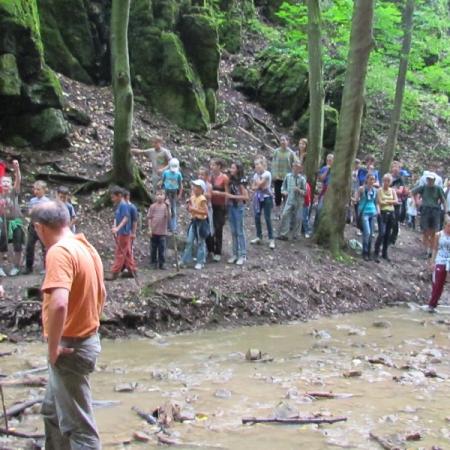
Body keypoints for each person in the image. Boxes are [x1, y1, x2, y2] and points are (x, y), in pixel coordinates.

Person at [31, 200, 105, 450]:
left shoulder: (59, 252)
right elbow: (101, 293)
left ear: (40, 228)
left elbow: (59, 303)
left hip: (70, 347)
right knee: (52, 413)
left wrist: (53, 349)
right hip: (84, 340)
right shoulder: (85, 246)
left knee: (79, 428)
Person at [412, 173, 447, 258]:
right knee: (425, 230)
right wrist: (416, 201)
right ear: (427, 180)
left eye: (431, 179)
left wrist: (445, 212)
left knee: (434, 231)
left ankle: (432, 251)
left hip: (435, 210)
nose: (430, 181)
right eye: (428, 179)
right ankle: (426, 250)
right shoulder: (423, 187)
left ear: (434, 180)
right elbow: (413, 192)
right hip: (425, 210)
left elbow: (443, 200)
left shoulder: (438, 188)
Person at [0, 160, 24, 276]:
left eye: (7, 182)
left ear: (10, 184)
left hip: (16, 221)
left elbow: (18, 180)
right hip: (3, 222)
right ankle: (0, 267)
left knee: (17, 244)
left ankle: (16, 266)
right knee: (1, 244)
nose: (5, 183)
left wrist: (17, 169)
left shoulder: (14, 192)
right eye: (3, 181)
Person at [109, 186, 136, 279]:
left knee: (120, 252)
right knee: (127, 252)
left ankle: (115, 273)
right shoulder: (120, 205)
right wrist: (115, 226)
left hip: (124, 232)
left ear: (119, 196)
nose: (112, 199)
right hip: (122, 232)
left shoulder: (123, 205)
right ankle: (132, 270)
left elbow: (126, 218)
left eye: (113, 197)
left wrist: (117, 228)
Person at [181, 180, 209, 270]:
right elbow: (191, 208)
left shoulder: (202, 199)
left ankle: (200, 261)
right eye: (194, 186)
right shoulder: (192, 197)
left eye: (196, 187)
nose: (194, 188)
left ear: (201, 189)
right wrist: (189, 207)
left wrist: (193, 210)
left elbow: (205, 212)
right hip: (194, 221)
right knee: (189, 241)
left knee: (201, 242)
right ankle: (184, 260)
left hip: (201, 222)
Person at [226, 161, 249, 265]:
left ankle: (243, 255)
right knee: (233, 231)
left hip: (238, 207)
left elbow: (246, 197)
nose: (231, 170)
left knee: (239, 231)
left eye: (233, 168)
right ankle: (235, 254)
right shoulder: (230, 179)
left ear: (238, 170)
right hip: (230, 207)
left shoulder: (241, 181)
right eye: (231, 168)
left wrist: (232, 197)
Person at [25, 180, 50, 274]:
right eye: (35, 189)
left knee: (45, 247)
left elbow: (48, 214)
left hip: (43, 226)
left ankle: (46, 267)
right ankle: (28, 267)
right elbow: (29, 212)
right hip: (33, 226)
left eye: (38, 189)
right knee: (29, 246)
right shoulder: (32, 201)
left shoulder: (47, 201)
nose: (36, 191)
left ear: (44, 190)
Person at [278, 160, 306, 240]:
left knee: (298, 218)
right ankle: (284, 234)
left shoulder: (302, 179)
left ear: (300, 169)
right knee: (285, 215)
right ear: (292, 167)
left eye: (298, 167)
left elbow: (305, 193)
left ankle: (296, 235)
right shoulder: (288, 176)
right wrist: (284, 192)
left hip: (298, 201)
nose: (296, 169)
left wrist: (299, 190)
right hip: (289, 200)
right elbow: (283, 187)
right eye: (294, 167)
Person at [250, 157, 275, 249]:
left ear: (263, 164)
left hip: (266, 198)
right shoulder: (256, 175)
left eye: (258, 164)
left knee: (267, 218)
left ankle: (271, 238)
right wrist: (258, 185)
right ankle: (258, 236)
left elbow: (260, 185)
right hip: (258, 198)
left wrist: (258, 185)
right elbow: (253, 187)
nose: (256, 166)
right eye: (255, 165)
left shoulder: (267, 173)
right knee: (257, 216)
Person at [207, 159, 229, 262]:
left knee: (218, 228)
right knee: (209, 227)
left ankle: (218, 251)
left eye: (214, 165)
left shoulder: (224, 178)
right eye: (211, 165)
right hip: (210, 205)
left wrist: (218, 194)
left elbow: (227, 193)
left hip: (220, 206)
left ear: (219, 166)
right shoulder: (210, 177)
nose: (211, 167)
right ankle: (210, 249)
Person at [427, 217, 450, 312]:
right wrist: (432, 262)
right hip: (440, 260)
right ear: (445, 225)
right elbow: (435, 249)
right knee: (438, 284)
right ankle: (432, 305)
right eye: (449, 226)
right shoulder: (438, 235)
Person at [374, 174, 398, 263]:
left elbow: (396, 201)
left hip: (391, 213)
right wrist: (389, 202)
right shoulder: (380, 190)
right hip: (382, 213)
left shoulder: (392, 191)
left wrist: (387, 201)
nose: (386, 183)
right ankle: (376, 252)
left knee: (388, 234)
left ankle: (384, 252)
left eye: (388, 181)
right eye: (385, 181)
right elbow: (379, 201)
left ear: (390, 182)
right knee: (382, 233)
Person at [271, 136, 296, 216]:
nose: (282, 142)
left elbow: (295, 164)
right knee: (277, 195)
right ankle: (277, 213)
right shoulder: (276, 151)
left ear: (287, 141)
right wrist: (274, 175)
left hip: (287, 178)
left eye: (284, 140)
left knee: (286, 196)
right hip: (278, 177)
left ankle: (285, 213)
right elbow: (273, 164)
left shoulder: (291, 153)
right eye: (281, 140)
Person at [357, 174, 379, 261]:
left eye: (373, 180)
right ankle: (364, 251)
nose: (372, 181)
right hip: (364, 212)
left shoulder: (375, 191)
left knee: (371, 234)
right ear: (367, 180)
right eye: (370, 179)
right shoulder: (362, 189)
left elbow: (376, 202)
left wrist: (378, 211)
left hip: (372, 213)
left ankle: (369, 252)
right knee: (367, 232)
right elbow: (356, 198)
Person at [147, 190, 170, 270]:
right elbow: (149, 218)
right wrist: (149, 229)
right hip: (154, 231)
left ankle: (162, 263)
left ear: (164, 196)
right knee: (153, 248)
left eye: (161, 194)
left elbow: (168, 217)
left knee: (162, 248)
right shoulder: (152, 206)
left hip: (162, 232)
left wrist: (168, 207)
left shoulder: (165, 207)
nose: (159, 196)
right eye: (158, 194)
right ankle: (153, 262)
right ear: (155, 196)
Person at [161, 158, 183, 233]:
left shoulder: (178, 174)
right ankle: (165, 226)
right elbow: (162, 182)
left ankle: (173, 227)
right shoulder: (166, 173)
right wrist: (161, 190)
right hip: (166, 192)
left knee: (173, 209)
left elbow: (180, 185)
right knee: (165, 208)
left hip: (174, 192)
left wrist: (180, 194)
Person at [389, 162, 405, 245]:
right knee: (388, 220)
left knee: (395, 221)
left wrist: (391, 190)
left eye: (397, 167)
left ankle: (393, 238)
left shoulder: (400, 179)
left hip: (397, 203)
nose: (395, 169)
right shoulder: (388, 177)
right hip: (387, 201)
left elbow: (400, 191)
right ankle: (386, 237)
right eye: (394, 167)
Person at [198, 167, 214, 238]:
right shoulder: (196, 184)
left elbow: (209, 195)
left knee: (207, 225)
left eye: (202, 175)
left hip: (207, 208)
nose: (200, 176)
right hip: (198, 207)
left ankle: (208, 241)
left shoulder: (209, 185)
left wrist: (200, 193)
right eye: (199, 174)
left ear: (207, 176)